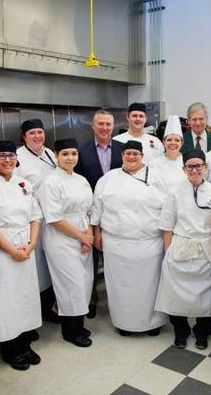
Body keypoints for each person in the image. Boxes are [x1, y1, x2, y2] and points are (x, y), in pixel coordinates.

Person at [91, 140, 168, 336]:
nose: (132, 157)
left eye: (136, 153)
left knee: (150, 287)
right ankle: (123, 323)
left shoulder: (158, 177)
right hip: (117, 245)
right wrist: (97, 234)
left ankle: (153, 323)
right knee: (120, 288)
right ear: (122, 156)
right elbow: (96, 210)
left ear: (142, 155)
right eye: (128, 154)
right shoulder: (108, 179)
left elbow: (169, 210)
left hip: (150, 244)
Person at [0, 140, 42, 371]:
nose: (7, 160)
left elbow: (36, 216)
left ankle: (25, 344)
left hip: (26, 247)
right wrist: (12, 251)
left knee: (26, 297)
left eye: (11, 155)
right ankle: (10, 349)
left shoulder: (24, 184)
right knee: (7, 301)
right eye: (1, 156)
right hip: (3, 251)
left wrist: (32, 244)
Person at [155, 149, 211, 350]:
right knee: (177, 296)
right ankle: (181, 332)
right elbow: (167, 225)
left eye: (198, 165)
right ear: (184, 169)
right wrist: (168, 254)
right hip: (180, 248)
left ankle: (202, 334)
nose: (194, 170)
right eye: (190, 166)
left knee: (207, 298)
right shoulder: (174, 192)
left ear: (205, 167)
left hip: (206, 251)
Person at [38, 138, 94, 347]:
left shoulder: (81, 179)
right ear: (56, 156)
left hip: (82, 236)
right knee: (71, 285)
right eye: (65, 154)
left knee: (84, 282)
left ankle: (78, 324)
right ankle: (70, 331)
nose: (70, 158)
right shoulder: (50, 182)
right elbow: (54, 218)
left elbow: (89, 209)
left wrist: (87, 235)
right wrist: (82, 236)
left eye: (73, 153)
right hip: (60, 239)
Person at [74, 109, 124, 318]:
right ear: (93, 126)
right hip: (91, 213)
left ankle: (120, 298)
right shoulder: (82, 152)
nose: (104, 128)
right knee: (92, 261)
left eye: (108, 124)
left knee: (118, 260)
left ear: (113, 126)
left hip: (118, 215)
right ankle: (92, 299)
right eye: (100, 124)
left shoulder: (123, 149)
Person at [14, 118, 59, 324]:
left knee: (50, 266)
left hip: (53, 219)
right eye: (32, 133)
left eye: (40, 132)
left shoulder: (50, 153)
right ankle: (34, 314)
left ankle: (48, 308)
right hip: (32, 220)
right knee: (36, 268)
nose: (37, 136)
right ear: (24, 136)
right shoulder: (18, 157)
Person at [149, 115, 186, 187]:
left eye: (177, 140)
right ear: (163, 143)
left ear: (182, 143)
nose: (173, 143)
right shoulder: (154, 164)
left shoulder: (187, 164)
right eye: (169, 140)